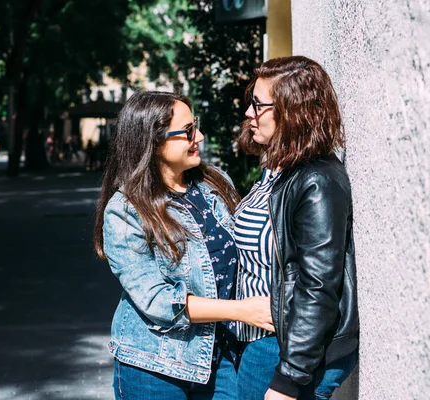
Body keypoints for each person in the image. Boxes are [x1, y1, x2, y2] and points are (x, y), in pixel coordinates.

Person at [93, 91, 273, 400]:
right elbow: (157, 301)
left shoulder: (215, 182)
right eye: (188, 131)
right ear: (154, 141)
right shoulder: (125, 210)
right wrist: (242, 311)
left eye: (196, 125)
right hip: (154, 365)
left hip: (221, 358)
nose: (199, 137)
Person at [234, 56, 360, 400]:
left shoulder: (316, 180)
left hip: (284, 350)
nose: (249, 113)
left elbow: (318, 285)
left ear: (292, 110)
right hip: (261, 342)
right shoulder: (278, 170)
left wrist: (289, 380)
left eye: (258, 105)